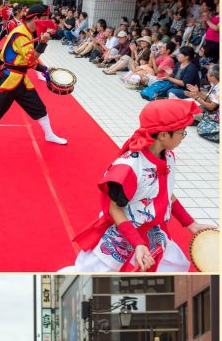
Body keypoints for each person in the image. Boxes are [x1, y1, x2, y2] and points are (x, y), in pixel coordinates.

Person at [70, 99, 215, 271]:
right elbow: (114, 209)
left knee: (172, 269)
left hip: (153, 232)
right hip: (124, 233)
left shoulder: (167, 156)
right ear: (162, 135)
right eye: (181, 132)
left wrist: (190, 224)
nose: (183, 137)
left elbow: (165, 193)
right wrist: (137, 242)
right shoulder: (129, 168)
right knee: (91, 277)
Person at [0, 3, 67, 151]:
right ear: (35, 18)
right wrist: (43, 44)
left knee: (39, 108)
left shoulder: (28, 32)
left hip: (22, 79)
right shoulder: (21, 34)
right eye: (44, 18)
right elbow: (31, 59)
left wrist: (45, 69)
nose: (47, 21)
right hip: (8, 79)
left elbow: (26, 63)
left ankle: (49, 134)